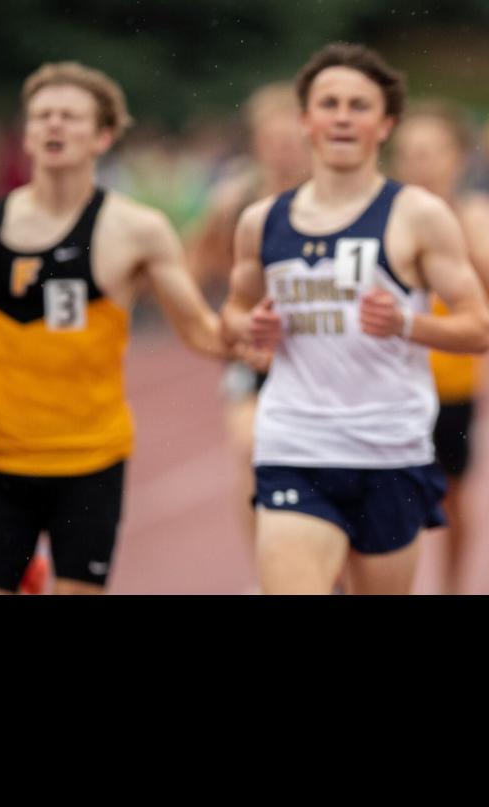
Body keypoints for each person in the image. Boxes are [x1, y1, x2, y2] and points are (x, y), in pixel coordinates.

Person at [0, 61, 234, 594]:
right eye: (42, 116)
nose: (54, 126)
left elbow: (198, 328)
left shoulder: (137, 230)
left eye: (70, 117)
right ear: (27, 134)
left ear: (102, 137)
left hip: (91, 459)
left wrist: (249, 341)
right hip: (4, 457)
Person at [219, 43, 489, 595]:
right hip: (295, 444)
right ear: (306, 120)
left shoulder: (418, 216)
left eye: (359, 105)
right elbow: (232, 312)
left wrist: (406, 325)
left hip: (388, 447)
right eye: (329, 103)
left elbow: (479, 329)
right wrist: (251, 330)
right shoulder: (262, 221)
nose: (343, 116)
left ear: (385, 123)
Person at [388, 102, 489, 594]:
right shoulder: (383, 217)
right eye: (409, 154)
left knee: (452, 498)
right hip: (391, 383)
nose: (420, 164)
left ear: (454, 158)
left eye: (430, 152)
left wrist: (456, 232)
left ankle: (451, 586)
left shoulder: (474, 214)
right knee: (386, 495)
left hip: (453, 382)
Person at [186, 82, 312, 560]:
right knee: (249, 450)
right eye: (270, 141)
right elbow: (188, 271)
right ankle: (267, 565)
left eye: (290, 140)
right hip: (254, 355)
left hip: (322, 352)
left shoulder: (334, 198)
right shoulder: (234, 200)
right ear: (256, 142)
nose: (281, 151)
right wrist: (217, 331)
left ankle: (326, 565)